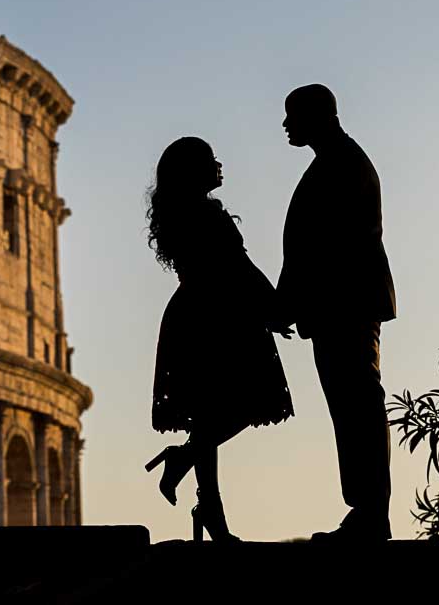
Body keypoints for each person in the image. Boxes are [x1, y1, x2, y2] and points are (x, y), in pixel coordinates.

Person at [145, 136, 294, 543]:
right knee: (250, 402)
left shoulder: (179, 214)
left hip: (192, 314)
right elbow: (239, 268)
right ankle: (185, 460)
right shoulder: (207, 215)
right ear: (196, 171)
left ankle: (210, 507)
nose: (219, 166)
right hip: (222, 316)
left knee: (207, 413)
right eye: (211, 160)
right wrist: (274, 309)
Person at [277, 84, 397, 542]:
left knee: (357, 406)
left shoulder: (342, 166)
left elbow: (323, 249)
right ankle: (365, 509)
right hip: (338, 305)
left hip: (345, 304)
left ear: (318, 115)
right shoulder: (335, 163)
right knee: (351, 407)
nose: (286, 126)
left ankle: (370, 512)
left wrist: (286, 303)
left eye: (293, 116)